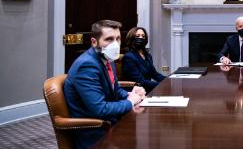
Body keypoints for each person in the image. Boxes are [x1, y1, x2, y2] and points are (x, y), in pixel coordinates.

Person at [64, 20, 146, 148]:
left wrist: (131, 94)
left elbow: (116, 90)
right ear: (94, 42)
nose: (115, 44)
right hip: (96, 133)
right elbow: (100, 109)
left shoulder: (108, 58)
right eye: (109, 39)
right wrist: (130, 102)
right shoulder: (86, 66)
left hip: (112, 122)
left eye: (118, 38)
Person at [122, 27, 166, 93]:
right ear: (131, 38)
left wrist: (169, 80)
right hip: (136, 91)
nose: (141, 38)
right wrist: (162, 85)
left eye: (143, 36)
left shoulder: (147, 55)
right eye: (137, 36)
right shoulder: (129, 57)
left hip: (148, 89)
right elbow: (140, 81)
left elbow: (155, 74)